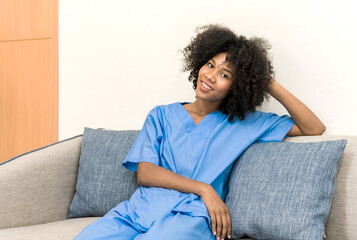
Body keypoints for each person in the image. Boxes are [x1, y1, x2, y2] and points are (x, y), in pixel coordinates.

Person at [73, 24, 326, 240]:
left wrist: (266, 82)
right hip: (138, 210)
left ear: (237, 87)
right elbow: (145, 172)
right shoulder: (161, 115)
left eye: (225, 74)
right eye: (210, 64)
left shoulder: (245, 123)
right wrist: (204, 188)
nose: (211, 76)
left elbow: (313, 127)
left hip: (191, 218)